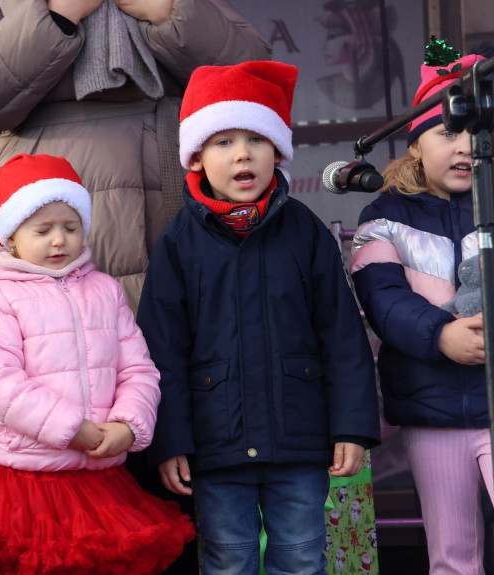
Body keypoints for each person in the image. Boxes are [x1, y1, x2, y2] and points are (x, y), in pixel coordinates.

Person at [137, 61, 381, 575]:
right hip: (216, 444)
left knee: (300, 556)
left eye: (256, 138)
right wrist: (171, 441)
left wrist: (353, 427)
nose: (242, 153)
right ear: (198, 158)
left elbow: (340, 334)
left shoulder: (306, 232)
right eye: (223, 141)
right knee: (229, 559)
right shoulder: (178, 244)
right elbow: (161, 351)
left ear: (278, 152)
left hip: (300, 440)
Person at [0, 153, 195, 575]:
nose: (59, 240)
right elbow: (0, 382)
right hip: (24, 483)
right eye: (42, 230)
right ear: (11, 237)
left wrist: (129, 424)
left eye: (71, 227)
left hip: (100, 483)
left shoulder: (104, 290)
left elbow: (138, 369)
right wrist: (71, 429)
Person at [0, 0, 271, 311]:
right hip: (44, 184)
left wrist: (170, 11)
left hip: (170, 173)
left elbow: (252, 73)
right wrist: (55, 16)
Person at [349, 50, 489, 575]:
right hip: (432, 412)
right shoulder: (383, 215)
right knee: (452, 555)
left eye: (475, 133)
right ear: (414, 145)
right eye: (447, 133)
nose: (464, 146)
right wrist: (442, 336)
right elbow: (382, 299)